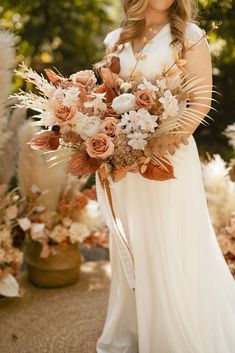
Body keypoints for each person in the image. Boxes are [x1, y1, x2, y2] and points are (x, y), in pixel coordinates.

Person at [94, 1, 235, 352]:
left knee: (173, 241)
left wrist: (164, 140)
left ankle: (175, 336)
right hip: (126, 161)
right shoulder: (116, 39)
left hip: (170, 156)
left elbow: (201, 102)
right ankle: (136, 328)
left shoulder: (188, 36)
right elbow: (108, 100)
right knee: (137, 241)